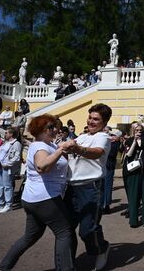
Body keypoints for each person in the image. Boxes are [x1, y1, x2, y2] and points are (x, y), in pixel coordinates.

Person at [0, 114, 76, 271]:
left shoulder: (48, 145)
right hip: (45, 199)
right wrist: (62, 149)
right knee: (65, 233)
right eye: (50, 127)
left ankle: (2, 268)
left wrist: (62, 149)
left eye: (55, 127)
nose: (55, 130)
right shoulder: (40, 146)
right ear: (39, 130)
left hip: (34, 198)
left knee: (30, 236)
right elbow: (42, 167)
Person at [63, 104, 112, 271]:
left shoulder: (103, 137)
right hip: (71, 188)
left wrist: (76, 148)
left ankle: (102, 248)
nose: (91, 121)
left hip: (91, 187)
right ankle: (67, 265)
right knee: (67, 229)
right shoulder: (81, 136)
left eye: (96, 119)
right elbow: (64, 151)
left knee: (87, 229)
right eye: (90, 117)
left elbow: (96, 153)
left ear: (104, 122)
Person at [123, 123, 144, 228]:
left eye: (140, 130)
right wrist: (134, 141)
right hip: (133, 171)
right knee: (133, 195)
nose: (139, 132)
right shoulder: (128, 141)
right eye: (136, 130)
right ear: (132, 131)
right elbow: (128, 154)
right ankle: (133, 220)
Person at [0, 127, 22, 213]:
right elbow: (1, 155)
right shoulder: (5, 143)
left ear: (11, 134)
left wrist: (7, 164)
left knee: (7, 186)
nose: (5, 134)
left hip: (7, 168)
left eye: (7, 133)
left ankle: (8, 205)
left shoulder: (16, 144)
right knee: (0, 186)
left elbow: (17, 157)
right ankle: (0, 203)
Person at [102, 126, 121, 214]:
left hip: (109, 165)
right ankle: (103, 204)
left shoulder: (115, 143)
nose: (110, 135)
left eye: (112, 134)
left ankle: (106, 205)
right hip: (103, 165)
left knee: (107, 186)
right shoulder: (108, 142)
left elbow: (111, 154)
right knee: (102, 186)